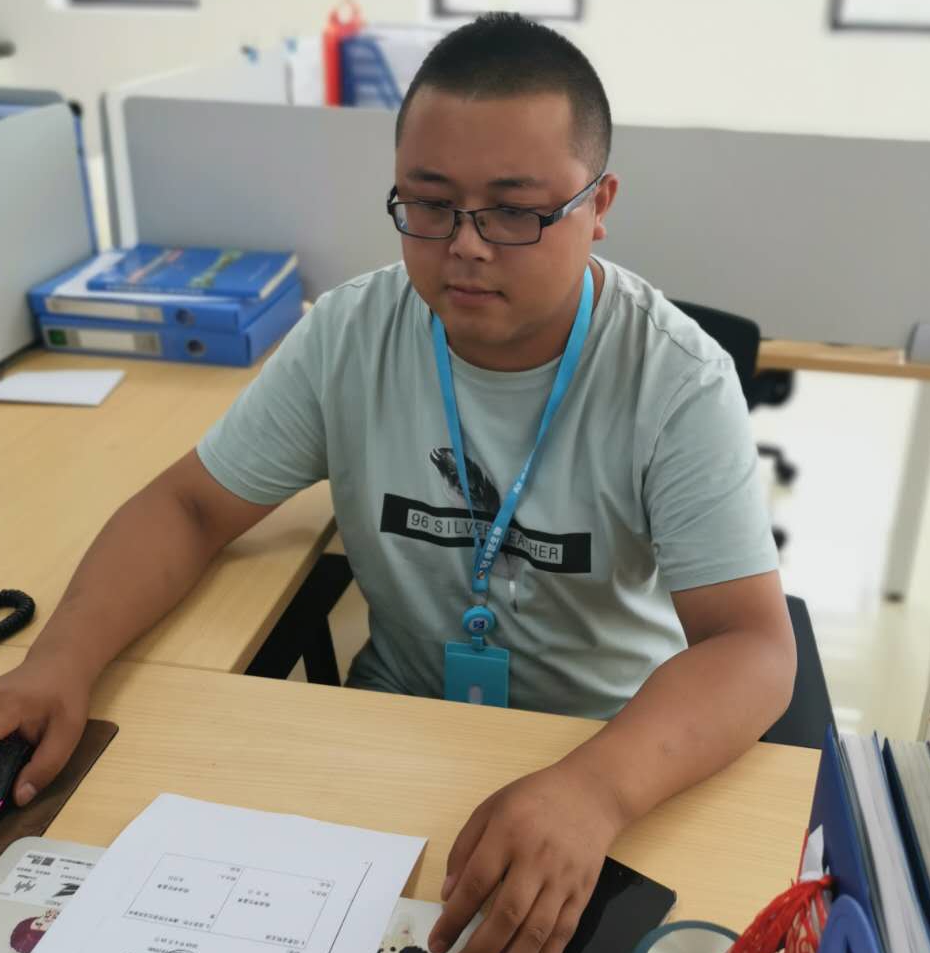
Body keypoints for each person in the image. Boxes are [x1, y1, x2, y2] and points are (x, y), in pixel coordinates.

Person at [1, 13, 795, 953]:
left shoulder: (673, 378)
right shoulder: (351, 334)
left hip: (608, 739)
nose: (465, 245)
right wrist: (61, 659)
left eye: (513, 211)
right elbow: (189, 505)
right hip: (393, 724)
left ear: (599, 202)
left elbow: (750, 644)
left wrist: (598, 786)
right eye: (429, 203)